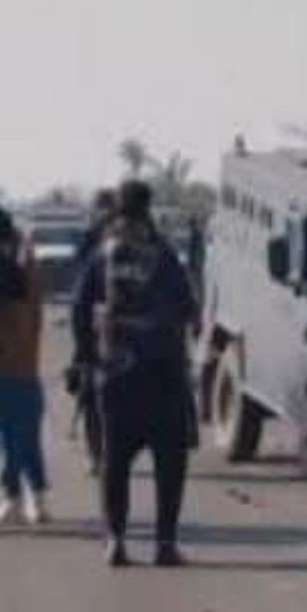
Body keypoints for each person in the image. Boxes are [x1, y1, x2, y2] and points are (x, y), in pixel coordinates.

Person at [72, 179, 198, 567]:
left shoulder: (102, 256)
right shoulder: (163, 256)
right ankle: (164, 543)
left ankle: (116, 540)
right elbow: (188, 308)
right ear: (148, 209)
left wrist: (88, 358)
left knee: (114, 459)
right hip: (162, 373)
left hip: (115, 374)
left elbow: (79, 310)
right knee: (170, 461)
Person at [0, 206, 50, 527]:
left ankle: (13, 498)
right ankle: (38, 500)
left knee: (2, 437)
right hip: (29, 366)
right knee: (28, 439)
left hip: (3, 366)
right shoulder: (28, 269)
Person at [69, 188, 117, 472]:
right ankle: (96, 452)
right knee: (90, 394)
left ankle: (108, 451)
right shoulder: (90, 242)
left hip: (119, 331)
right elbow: (81, 292)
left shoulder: (129, 241)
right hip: (93, 328)